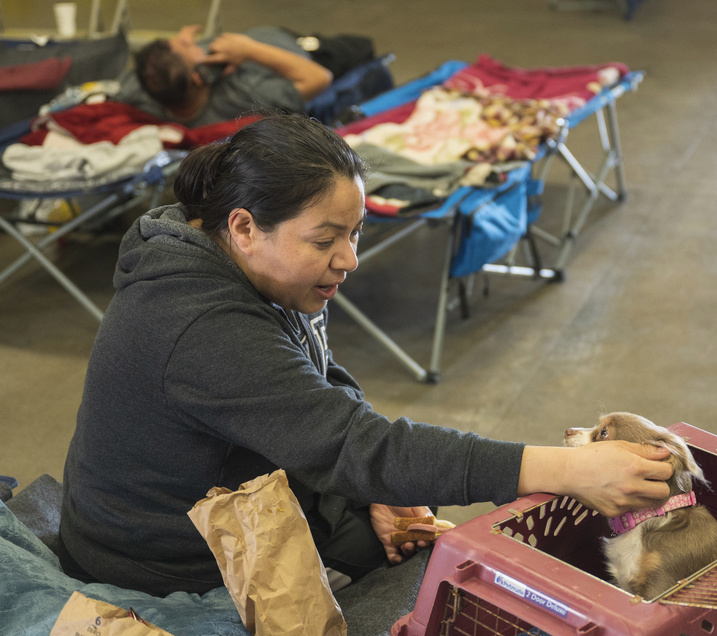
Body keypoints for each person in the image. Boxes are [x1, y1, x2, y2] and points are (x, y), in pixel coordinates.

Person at [57, 113, 673, 598]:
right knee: (460, 575)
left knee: (416, 511)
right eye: (326, 239)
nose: (349, 259)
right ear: (244, 227)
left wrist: (373, 490)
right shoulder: (196, 324)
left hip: (238, 497)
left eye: (355, 233)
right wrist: (569, 472)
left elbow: (318, 385)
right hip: (158, 561)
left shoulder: (258, 267)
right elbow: (356, 445)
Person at [115, 25, 334, 127]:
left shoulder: (140, 90)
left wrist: (178, 52)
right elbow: (320, 78)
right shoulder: (243, 93)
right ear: (200, 76)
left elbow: (156, 70)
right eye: (187, 48)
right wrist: (249, 50)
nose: (195, 44)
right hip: (296, 47)